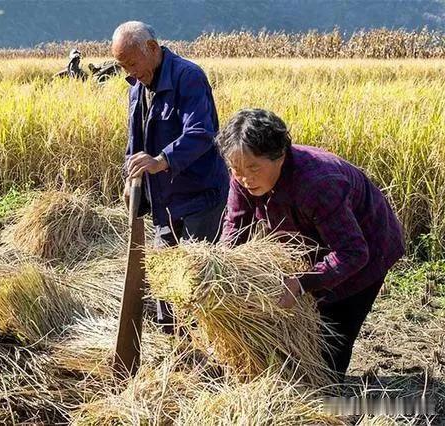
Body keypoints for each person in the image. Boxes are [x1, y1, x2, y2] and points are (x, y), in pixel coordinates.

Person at [217, 108, 405, 382]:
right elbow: (236, 224)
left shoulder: (318, 183)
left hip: (367, 248)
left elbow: (353, 252)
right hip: (318, 243)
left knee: (332, 334)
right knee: (300, 324)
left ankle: (327, 400)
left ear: (280, 155)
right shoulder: (243, 176)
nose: (245, 178)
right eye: (236, 169)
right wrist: (218, 267)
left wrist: (303, 282)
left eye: (254, 168)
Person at [112, 21, 229, 332]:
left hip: (200, 195)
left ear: (152, 48)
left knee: (197, 274)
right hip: (165, 199)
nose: (131, 73)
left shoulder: (188, 77)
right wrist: (131, 178)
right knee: (164, 270)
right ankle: (174, 341)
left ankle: (206, 342)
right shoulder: (137, 89)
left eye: (132, 63)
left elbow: (202, 133)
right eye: (124, 66)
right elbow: (134, 144)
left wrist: (162, 160)